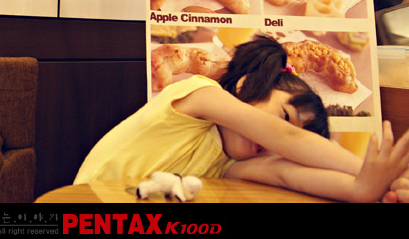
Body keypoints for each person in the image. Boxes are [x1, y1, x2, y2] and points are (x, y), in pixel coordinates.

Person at [62, 36, 409, 213]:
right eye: (285, 115)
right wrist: (367, 166)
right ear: (245, 85)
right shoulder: (199, 95)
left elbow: (287, 173)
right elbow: (286, 138)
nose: (272, 144)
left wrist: (367, 188)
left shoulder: (228, 165)